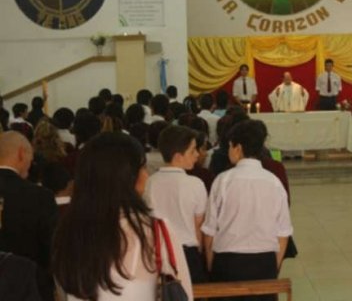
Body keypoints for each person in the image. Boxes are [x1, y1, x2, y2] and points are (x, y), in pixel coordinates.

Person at [53, 132, 193, 300]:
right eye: (141, 167)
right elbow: (184, 292)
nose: (146, 175)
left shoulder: (68, 230)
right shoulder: (154, 229)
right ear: (127, 175)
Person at [202, 120, 293, 300]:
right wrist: (272, 268)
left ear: (238, 148)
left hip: (227, 261)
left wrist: (212, 265)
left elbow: (210, 231)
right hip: (264, 261)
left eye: (229, 146)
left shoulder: (223, 180)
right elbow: (283, 234)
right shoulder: (274, 182)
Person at [144, 125, 208, 284]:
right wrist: (199, 252)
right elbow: (198, 225)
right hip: (188, 254)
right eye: (193, 150)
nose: (197, 154)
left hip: (158, 253)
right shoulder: (195, 184)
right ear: (178, 156)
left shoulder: (150, 183)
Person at [0, 131, 58, 301]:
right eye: (31, 158)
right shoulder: (40, 196)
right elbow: (51, 248)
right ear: (21, 153)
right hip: (30, 288)